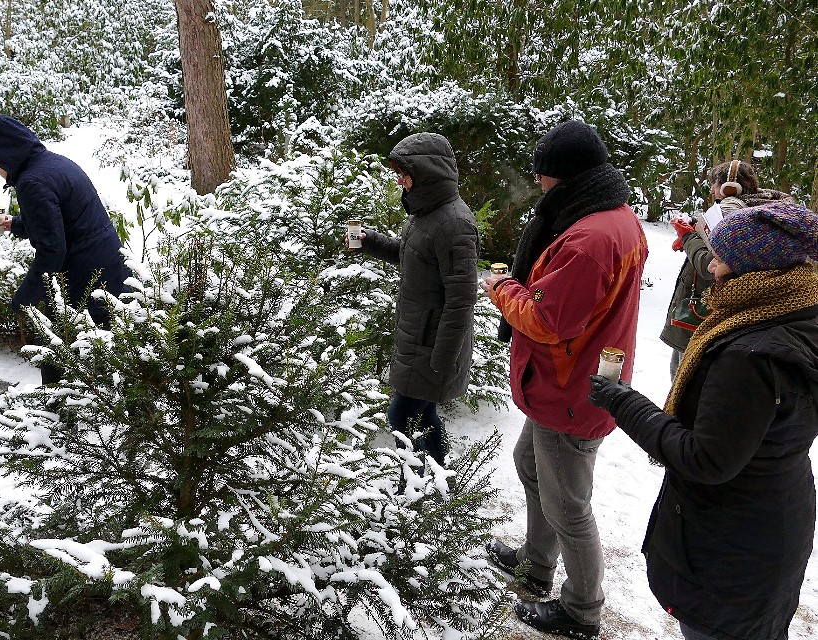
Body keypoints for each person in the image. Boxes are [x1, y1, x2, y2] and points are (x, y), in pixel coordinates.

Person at [588, 201, 818, 640]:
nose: (710, 265)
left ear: (755, 270)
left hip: (732, 546)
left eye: (721, 257)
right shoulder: (798, 311)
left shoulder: (750, 355)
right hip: (774, 524)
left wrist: (622, 402)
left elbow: (705, 460)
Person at [480, 120, 648, 640]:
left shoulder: (590, 239)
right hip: (568, 380)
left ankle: (581, 610)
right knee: (528, 464)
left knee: (569, 507)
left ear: (566, 176)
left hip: (571, 386)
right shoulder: (609, 216)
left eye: (544, 174)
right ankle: (535, 564)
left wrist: (502, 287)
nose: (538, 183)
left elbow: (548, 319)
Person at [347, 132, 478, 469]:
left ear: (427, 172)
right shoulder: (425, 214)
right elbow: (413, 256)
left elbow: (462, 300)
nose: (400, 181)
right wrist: (370, 241)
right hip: (418, 338)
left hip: (432, 345)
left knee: (403, 414)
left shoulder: (455, 223)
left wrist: (443, 358)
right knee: (423, 412)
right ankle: (438, 477)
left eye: (404, 174)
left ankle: (415, 488)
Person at [0, 114, 129, 384]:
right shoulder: (53, 163)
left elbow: (52, 250)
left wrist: (26, 298)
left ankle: (57, 416)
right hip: (108, 266)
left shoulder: (32, 182)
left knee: (60, 353)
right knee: (103, 353)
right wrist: (18, 225)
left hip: (86, 278)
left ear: (4, 153)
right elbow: (64, 220)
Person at [661, 159, 793, 377]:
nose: (712, 189)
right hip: (721, 314)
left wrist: (687, 237)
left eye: (715, 184)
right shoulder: (755, 209)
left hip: (705, 314)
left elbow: (709, 265)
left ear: (729, 187)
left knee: (683, 379)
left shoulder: (730, 213)